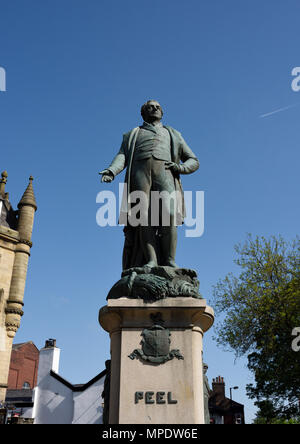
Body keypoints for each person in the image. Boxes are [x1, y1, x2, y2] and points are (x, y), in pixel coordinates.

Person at [100, 100, 199, 270]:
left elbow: (193, 160)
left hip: (165, 173)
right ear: (143, 112)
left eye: (158, 107)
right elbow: (122, 156)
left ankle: (169, 261)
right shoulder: (133, 134)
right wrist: (111, 171)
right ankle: (151, 260)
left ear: (162, 112)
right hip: (139, 175)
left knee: (169, 215)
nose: (154, 108)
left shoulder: (173, 134)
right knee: (142, 217)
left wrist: (180, 167)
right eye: (150, 107)